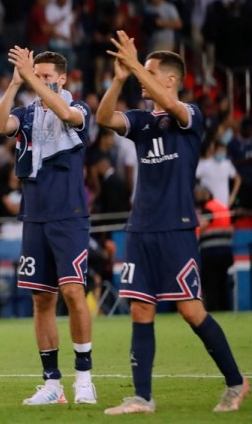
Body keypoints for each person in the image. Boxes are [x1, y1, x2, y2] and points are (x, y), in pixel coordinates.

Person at [96, 30, 249, 415]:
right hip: (140, 228)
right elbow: (103, 117)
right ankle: (142, 397)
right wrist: (119, 78)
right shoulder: (142, 122)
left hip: (176, 227)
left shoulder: (190, 115)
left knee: (191, 310)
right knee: (140, 310)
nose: (142, 79)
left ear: (170, 79)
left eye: (150, 72)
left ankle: (236, 382)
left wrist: (134, 65)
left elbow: (169, 105)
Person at [0, 48, 96, 405]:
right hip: (34, 215)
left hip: (68, 214)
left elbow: (65, 113)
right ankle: (52, 384)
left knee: (73, 292)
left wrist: (32, 80)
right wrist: (14, 84)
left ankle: (84, 377)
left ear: (63, 78)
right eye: (38, 76)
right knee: (41, 298)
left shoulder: (79, 107)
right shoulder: (26, 113)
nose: (41, 82)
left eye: (47, 76)